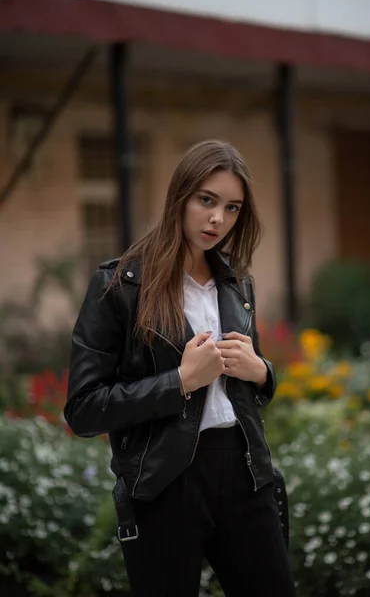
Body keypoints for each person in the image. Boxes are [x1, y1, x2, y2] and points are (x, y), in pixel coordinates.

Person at [65, 140, 296, 597]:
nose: (218, 219)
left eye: (232, 208)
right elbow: (83, 409)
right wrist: (181, 382)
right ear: (180, 196)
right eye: (207, 200)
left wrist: (263, 372)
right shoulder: (120, 285)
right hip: (165, 482)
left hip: (245, 472)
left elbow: (248, 383)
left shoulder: (237, 283)